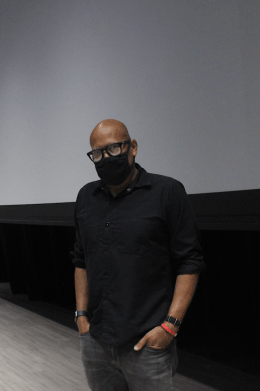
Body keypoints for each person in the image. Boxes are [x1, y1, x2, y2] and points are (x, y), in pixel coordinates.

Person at [70, 119, 205, 390]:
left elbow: (189, 262)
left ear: (132, 147)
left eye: (114, 149)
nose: (105, 158)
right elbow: (81, 260)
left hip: (148, 346)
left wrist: (170, 327)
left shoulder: (167, 192)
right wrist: (81, 316)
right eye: (97, 153)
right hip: (96, 342)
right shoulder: (86, 197)